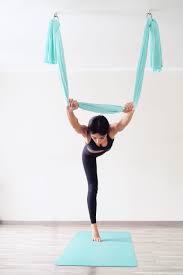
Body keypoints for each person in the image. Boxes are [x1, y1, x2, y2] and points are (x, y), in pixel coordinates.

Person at [66, 98, 135, 242]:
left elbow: (123, 122)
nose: (98, 141)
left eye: (101, 138)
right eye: (94, 137)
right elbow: (75, 125)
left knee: (97, 187)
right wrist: (70, 111)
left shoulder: (112, 130)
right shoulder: (86, 132)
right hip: (88, 157)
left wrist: (130, 111)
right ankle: (94, 228)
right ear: (90, 133)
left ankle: (94, 227)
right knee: (93, 188)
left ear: (107, 132)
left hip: (96, 152)